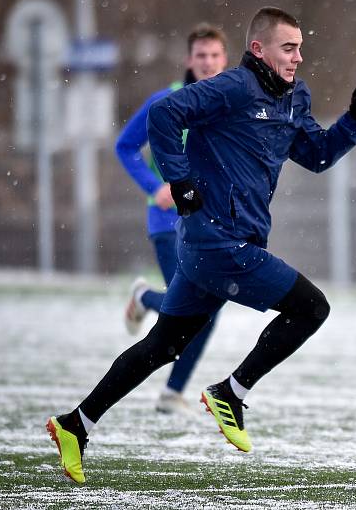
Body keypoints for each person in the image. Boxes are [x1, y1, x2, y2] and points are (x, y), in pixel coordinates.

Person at [46, 6, 356, 484]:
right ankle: (231, 393)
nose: (298, 57)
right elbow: (164, 114)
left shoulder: (294, 98)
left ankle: (76, 424)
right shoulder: (233, 87)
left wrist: (354, 120)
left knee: (163, 344)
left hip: (223, 244)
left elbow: (318, 154)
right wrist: (179, 183)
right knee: (312, 308)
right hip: (217, 242)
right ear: (259, 49)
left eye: (301, 47)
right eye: (289, 47)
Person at [115, 23, 228, 415]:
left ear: (225, 59)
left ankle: (171, 394)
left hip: (209, 224)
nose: (208, 63)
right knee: (193, 307)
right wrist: (154, 186)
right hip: (168, 223)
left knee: (206, 311)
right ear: (188, 60)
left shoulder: (230, 105)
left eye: (215, 55)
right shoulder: (165, 101)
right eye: (201, 56)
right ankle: (144, 298)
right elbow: (126, 145)